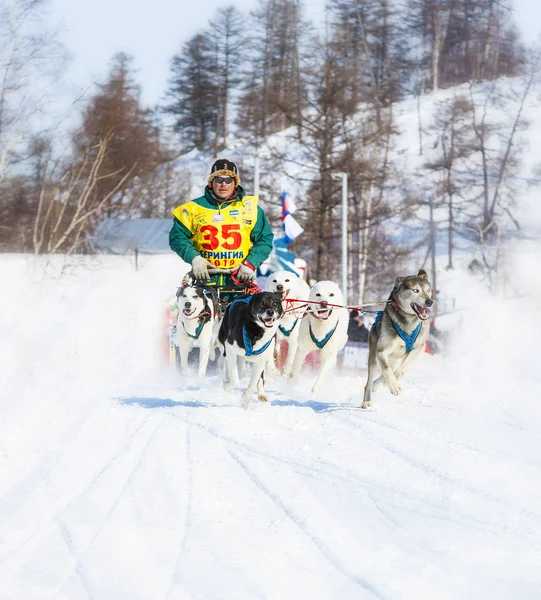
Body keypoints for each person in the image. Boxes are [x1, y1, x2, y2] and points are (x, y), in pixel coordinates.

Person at [169, 158, 274, 289]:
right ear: (211, 182)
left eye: (229, 180)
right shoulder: (192, 209)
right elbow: (177, 238)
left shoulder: (250, 209)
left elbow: (265, 239)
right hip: (205, 280)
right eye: (219, 179)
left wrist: (250, 263)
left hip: (239, 280)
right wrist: (195, 258)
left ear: (235, 183)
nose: (223, 184)